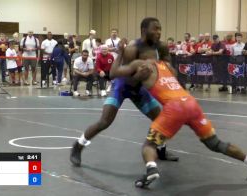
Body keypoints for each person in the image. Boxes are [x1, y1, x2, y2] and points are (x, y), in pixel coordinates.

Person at [110, 37, 247, 189]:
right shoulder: (166, 66)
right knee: (214, 143)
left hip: (174, 108)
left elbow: (115, 74)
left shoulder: (142, 67)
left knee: (149, 145)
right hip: (191, 104)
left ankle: (151, 170)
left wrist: (120, 52)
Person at [70, 17, 179, 167]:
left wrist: (167, 73)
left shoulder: (161, 47)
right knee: (105, 121)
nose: (159, 32)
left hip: (140, 87)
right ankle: (78, 146)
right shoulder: (132, 48)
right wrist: (140, 76)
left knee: (160, 119)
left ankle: (161, 149)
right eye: (155, 29)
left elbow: (169, 71)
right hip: (123, 85)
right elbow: (120, 75)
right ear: (144, 31)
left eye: (160, 29)